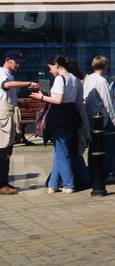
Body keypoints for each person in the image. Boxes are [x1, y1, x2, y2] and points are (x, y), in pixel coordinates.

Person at [32, 56, 81, 194]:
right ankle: (53, 184)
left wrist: (41, 97)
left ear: (57, 65)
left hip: (60, 117)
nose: (50, 71)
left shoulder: (60, 78)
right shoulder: (73, 78)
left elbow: (58, 100)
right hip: (71, 116)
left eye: (50, 67)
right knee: (61, 152)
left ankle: (69, 184)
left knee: (61, 153)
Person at [0, 51, 38, 195]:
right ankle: (1, 184)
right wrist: (28, 83)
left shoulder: (10, 74)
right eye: (17, 62)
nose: (18, 65)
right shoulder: (2, 73)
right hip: (3, 114)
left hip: (9, 113)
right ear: (8, 60)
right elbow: (7, 85)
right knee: (3, 150)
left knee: (7, 150)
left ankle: (3, 181)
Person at [83, 55, 115, 172]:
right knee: (106, 148)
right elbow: (107, 102)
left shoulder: (88, 78)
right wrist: (113, 119)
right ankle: (104, 172)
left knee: (93, 147)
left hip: (89, 117)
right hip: (102, 119)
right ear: (105, 66)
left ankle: (93, 170)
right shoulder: (102, 81)